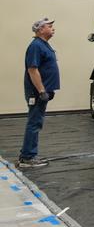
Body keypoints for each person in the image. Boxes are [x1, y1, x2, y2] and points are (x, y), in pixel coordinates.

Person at [18, 18, 59, 170]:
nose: (53, 28)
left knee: (36, 122)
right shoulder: (36, 45)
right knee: (34, 123)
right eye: (50, 26)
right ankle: (27, 158)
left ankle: (29, 155)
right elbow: (32, 69)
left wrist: (50, 89)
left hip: (42, 91)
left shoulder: (43, 45)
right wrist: (42, 90)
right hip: (36, 92)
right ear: (40, 29)